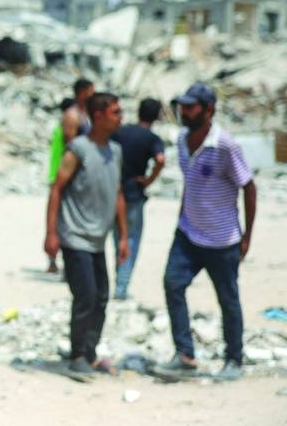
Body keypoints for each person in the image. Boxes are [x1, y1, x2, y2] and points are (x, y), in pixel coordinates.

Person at [159, 83, 256, 382]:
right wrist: (182, 217)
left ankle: (234, 359)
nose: (184, 112)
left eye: (191, 107)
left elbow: (249, 187)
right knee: (173, 284)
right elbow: (190, 184)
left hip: (221, 239)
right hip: (188, 234)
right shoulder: (182, 139)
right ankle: (185, 354)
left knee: (228, 300)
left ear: (209, 109)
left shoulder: (224, 145)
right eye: (182, 106)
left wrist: (247, 237)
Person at [44, 92, 128, 375]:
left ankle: (90, 353)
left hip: (98, 239)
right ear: (99, 116)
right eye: (115, 112)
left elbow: (118, 194)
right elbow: (56, 189)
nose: (121, 117)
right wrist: (51, 233)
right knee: (86, 296)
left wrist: (124, 236)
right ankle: (77, 355)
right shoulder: (78, 149)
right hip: (75, 235)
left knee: (102, 297)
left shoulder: (115, 151)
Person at [109, 98, 166, 299]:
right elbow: (160, 160)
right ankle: (121, 287)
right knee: (131, 239)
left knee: (117, 238)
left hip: (114, 190)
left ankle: (117, 281)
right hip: (134, 192)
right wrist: (149, 180)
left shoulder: (120, 132)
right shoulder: (152, 138)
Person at [45, 97, 76, 274]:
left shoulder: (58, 128)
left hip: (55, 176)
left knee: (55, 220)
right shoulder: (67, 129)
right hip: (63, 177)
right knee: (62, 222)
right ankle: (61, 261)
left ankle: (53, 261)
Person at [61, 78, 95, 144]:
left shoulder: (88, 113)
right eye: (91, 91)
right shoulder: (72, 115)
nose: (93, 94)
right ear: (82, 92)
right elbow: (70, 144)